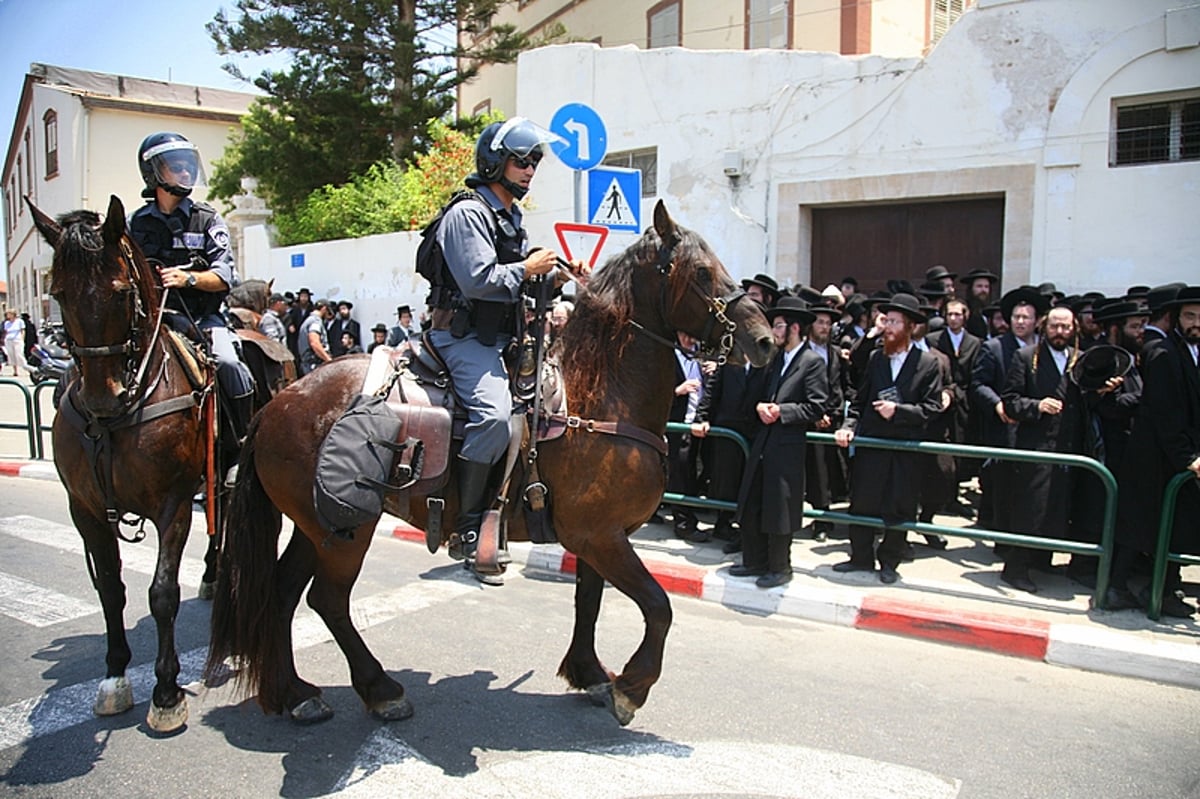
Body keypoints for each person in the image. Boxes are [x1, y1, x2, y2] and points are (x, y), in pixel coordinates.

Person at [428, 117, 587, 579]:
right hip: (461, 337)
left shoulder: (508, 217)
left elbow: (517, 288)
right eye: (522, 160)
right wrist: (528, 267)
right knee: (495, 417)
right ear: (496, 161)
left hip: (501, 337)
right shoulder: (467, 214)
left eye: (535, 161)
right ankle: (469, 526)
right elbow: (479, 282)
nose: (530, 168)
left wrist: (554, 276)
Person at [129, 131, 255, 474]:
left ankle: (240, 450)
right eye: (176, 166)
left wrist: (189, 279)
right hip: (154, 322)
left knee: (229, 364)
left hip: (203, 321)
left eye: (189, 166)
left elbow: (226, 277)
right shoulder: (134, 224)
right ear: (154, 172)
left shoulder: (207, 219)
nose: (186, 173)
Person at [833, 293, 942, 584]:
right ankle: (860, 557)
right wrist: (849, 425)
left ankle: (890, 561)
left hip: (904, 448)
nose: (888, 327)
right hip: (873, 446)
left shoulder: (928, 363)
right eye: (886, 320)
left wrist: (899, 411)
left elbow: (932, 409)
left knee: (899, 507)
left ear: (910, 327)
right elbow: (859, 399)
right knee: (863, 502)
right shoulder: (875, 358)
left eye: (894, 322)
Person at [1110, 286, 1200, 617]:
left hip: (1174, 451)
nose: (1196, 324)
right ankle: (1116, 588)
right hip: (1154, 454)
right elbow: (1166, 413)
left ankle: (1162, 589)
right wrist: (1187, 458)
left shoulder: (1190, 350)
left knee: (1172, 523)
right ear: (1176, 318)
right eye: (1190, 316)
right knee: (1141, 523)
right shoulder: (1163, 353)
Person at [732, 297, 828, 588]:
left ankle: (779, 567)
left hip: (787, 444)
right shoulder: (775, 359)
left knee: (780, 508)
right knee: (755, 501)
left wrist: (781, 412)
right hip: (763, 440)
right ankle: (754, 561)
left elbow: (816, 406)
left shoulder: (811, 362)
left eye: (778, 326)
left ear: (794, 328)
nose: (774, 331)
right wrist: (762, 406)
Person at [999, 305, 1086, 594]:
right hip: (1036, 445)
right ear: (1045, 327)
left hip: (1068, 446)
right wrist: (1037, 406)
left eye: (1066, 327)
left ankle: (1042, 558)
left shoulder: (1080, 360)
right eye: (1054, 326)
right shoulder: (1025, 357)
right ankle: (1015, 568)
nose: (1060, 332)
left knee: (1057, 507)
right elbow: (1010, 400)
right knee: (1030, 509)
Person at [969, 286, 1048, 530]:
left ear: (1037, 321)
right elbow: (978, 384)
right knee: (1004, 486)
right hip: (1005, 425)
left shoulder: (1045, 348)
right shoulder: (994, 347)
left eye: (1026, 317)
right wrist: (997, 405)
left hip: (1038, 425)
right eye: (1016, 317)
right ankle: (1003, 537)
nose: (1020, 322)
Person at [801, 302, 846, 542]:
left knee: (823, 474)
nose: (825, 327)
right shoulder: (800, 351)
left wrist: (832, 413)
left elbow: (838, 387)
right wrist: (814, 414)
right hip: (804, 419)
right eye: (820, 322)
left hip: (829, 422)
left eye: (828, 324)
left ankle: (822, 520)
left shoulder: (834, 353)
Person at [666, 332, 709, 542]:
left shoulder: (703, 355)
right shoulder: (666, 355)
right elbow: (654, 391)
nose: (690, 339)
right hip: (677, 424)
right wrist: (677, 391)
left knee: (695, 472)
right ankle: (683, 523)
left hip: (699, 423)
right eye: (685, 334)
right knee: (680, 472)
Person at [959, 268, 999, 339]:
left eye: (986, 287)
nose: (983, 290)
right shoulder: (964, 309)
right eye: (979, 286)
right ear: (971, 288)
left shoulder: (990, 311)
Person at [298, 298, 333, 375]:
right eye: (328, 312)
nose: (328, 316)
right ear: (324, 308)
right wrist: (328, 360)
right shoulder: (315, 321)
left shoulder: (308, 320)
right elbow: (314, 342)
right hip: (314, 364)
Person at [3, 310, 29, 377]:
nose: (7, 315)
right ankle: (15, 371)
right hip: (9, 340)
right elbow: (6, 332)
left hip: (17, 339)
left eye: (9, 314)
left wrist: (22, 339)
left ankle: (27, 369)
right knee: (11, 355)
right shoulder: (7, 323)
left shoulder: (19, 321)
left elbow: (22, 330)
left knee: (19, 354)